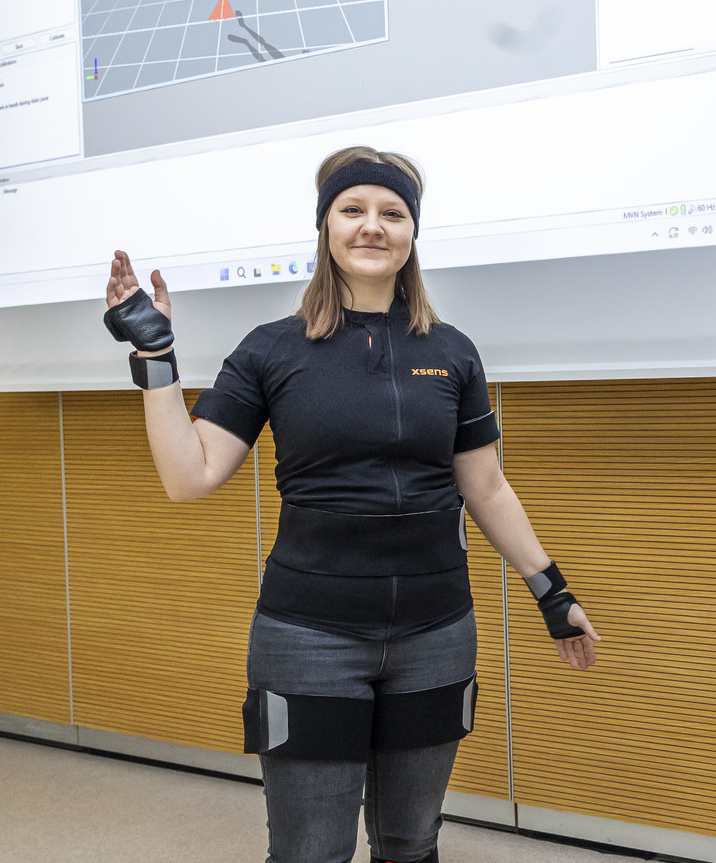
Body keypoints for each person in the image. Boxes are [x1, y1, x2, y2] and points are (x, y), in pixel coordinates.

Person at [103, 147, 601, 863]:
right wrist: (156, 358)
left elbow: (486, 486)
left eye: (392, 213)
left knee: (410, 843)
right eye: (353, 209)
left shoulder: (452, 351)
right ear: (325, 227)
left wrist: (552, 592)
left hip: (435, 634)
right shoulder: (271, 350)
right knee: (311, 851)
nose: (373, 226)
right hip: (308, 637)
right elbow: (191, 476)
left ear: (412, 234)